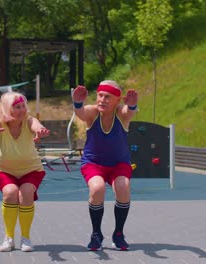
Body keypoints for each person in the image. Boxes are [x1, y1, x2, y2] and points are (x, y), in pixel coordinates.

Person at [72, 80, 138, 251]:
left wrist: (131, 106)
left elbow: (128, 112)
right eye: (100, 96)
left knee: (123, 187)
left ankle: (118, 234)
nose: (102, 100)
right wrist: (78, 102)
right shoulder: (93, 113)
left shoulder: (121, 114)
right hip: (94, 163)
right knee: (97, 188)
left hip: (119, 163)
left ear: (117, 100)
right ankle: (96, 234)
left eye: (107, 97)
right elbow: (80, 112)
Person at [0, 91, 50, 252]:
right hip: (3, 169)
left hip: (31, 169)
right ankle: (8, 238)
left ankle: (26, 238)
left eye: (23, 106)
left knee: (25, 194)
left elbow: (36, 126)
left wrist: (40, 131)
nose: (22, 110)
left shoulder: (29, 120)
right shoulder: (0, 122)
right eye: (17, 107)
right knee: (10, 192)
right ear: (8, 109)